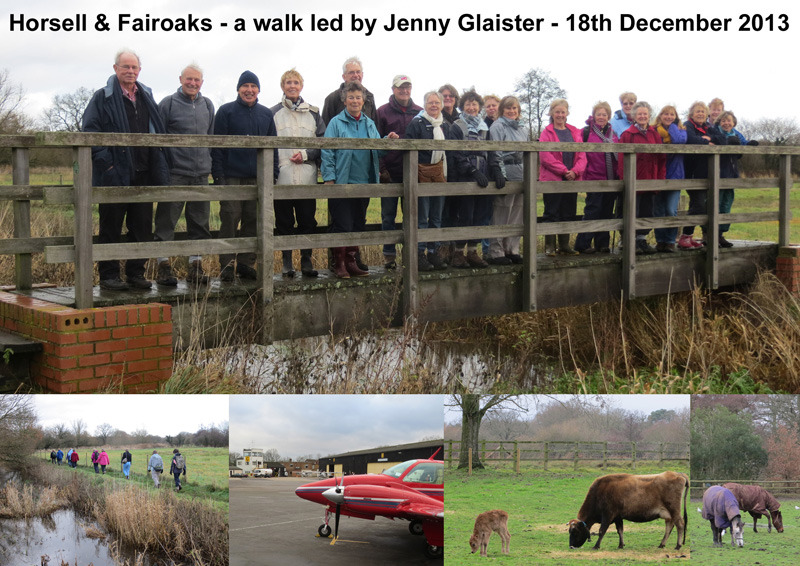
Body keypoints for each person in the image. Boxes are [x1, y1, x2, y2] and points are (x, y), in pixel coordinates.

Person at [82, 49, 170, 291]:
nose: (130, 71)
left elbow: (156, 131)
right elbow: (90, 132)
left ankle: (135, 273)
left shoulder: (147, 97)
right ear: (115, 69)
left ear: (139, 70)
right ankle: (109, 276)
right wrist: (107, 164)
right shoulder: (103, 98)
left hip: (143, 172)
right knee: (110, 227)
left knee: (141, 227)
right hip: (114, 174)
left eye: (134, 68)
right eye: (125, 67)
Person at [321, 81, 398, 278]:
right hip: (343, 182)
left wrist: (387, 142)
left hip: (364, 182)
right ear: (344, 100)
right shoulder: (336, 123)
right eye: (351, 97)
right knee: (343, 224)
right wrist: (329, 177)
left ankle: (351, 262)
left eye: (358, 97)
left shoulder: (369, 123)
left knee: (357, 223)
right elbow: (327, 151)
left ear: (363, 101)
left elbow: (376, 150)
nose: (355, 101)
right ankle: (339, 264)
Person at [211, 70, 279, 281]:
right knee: (230, 218)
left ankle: (245, 263)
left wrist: (273, 174)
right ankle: (227, 265)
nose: (249, 90)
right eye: (245, 86)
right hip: (232, 176)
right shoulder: (226, 111)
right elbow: (217, 147)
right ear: (238, 89)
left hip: (258, 178)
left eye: (253, 86)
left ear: (259, 90)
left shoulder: (266, 114)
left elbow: (273, 147)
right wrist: (219, 176)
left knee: (253, 220)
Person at [154, 63, 215, 286]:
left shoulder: (207, 104)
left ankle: (195, 266)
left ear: (202, 82)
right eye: (189, 79)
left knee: (200, 222)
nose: (192, 83)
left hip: (200, 174)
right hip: (174, 172)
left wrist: (210, 167)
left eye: (197, 80)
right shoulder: (168, 104)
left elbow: (212, 137)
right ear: (180, 79)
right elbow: (157, 138)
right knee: (166, 220)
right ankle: (163, 267)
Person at [270, 68, 326, 278]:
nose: (292, 86)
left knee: (307, 220)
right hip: (282, 177)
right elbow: (268, 145)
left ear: (301, 86)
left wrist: (306, 154)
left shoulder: (313, 113)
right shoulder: (273, 113)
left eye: (296, 82)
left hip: (306, 176)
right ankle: (286, 262)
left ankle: (306, 261)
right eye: (288, 83)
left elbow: (322, 142)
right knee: (284, 222)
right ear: (283, 86)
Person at [375, 74, 422, 269]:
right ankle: (389, 257)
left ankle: (412, 256)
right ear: (393, 89)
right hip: (390, 172)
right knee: (388, 216)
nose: (404, 90)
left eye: (407, 87)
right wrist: (382, 169)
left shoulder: (420, 112)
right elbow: (376, 141)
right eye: (400, 87)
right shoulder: (382, 112)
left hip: (413, 172)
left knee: (412, 215)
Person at [406, 91, 451, 271]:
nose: (434, 105)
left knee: (436, 217)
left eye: (437, 102)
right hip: (421, 175)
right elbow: (409, 148)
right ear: (424, 105)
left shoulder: (445, 126)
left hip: (440, 174)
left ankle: (434, 252)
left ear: (441, 105)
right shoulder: (417, 123)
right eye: (430, 102)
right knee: (422, 217)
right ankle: (419, 254)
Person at [447, 90, 490, 268]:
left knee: (481, 215)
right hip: (464, 176)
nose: (471, 108)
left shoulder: (485, 127)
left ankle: (472, 251)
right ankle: (458, 253)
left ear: (479, 106)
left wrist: (494, 170)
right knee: (465, 215)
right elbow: (455, 153)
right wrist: (472, 170)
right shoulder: (456, 126)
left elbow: (492, 150)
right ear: (462, 107)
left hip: (484, 175)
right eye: (468, 104)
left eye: (474, 104)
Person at [539, 98, 587, 256]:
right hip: (553, 179)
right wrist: (564, 170)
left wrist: (575, 171)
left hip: (571, 179)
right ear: (552, 113)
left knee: (568, 212)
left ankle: (564, 245)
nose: (560, 115)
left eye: (562, 112)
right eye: (557, 112)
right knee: (551, 212)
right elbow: (545, 156)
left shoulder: (575, 131)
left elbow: (582, 155)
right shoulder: (547, 132)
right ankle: (549, 247)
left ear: (567, 113)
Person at [487, 96, 530, 264]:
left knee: (517, 214)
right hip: (506, 171)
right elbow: (496, 151)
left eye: (515, 108)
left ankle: (511, 248)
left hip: (521, 172)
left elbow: (528, 152)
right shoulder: (498, 126)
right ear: (502, 110)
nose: (512, 111)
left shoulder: (523, 128)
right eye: (508, 108)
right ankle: (496, 251)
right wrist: (500, 172)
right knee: (501, 212)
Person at [619, 101, 666, 254]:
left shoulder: (654, 134)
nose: (642, 116)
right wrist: (624, 179)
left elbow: (661, 159)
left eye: (645, 114)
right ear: (634, 116)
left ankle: (641, 239)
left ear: (649, 115)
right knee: (632, 210)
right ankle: (629, 241)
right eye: (639, 114)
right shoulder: (627, 134)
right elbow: (621, 159)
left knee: (647, 211)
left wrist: (659, 180)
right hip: (634, 179)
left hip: (650, 179)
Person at [574, 101, 619, 254]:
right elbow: (578, 153)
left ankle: (602, 243)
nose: (601, 117)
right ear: (593, 116)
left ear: (609, 116)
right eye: (598, 114)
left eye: (604, 114)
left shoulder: (613, 135)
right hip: (593, 177)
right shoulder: (586, 133)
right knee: (593, 210)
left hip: (610, 178)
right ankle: (583, 243)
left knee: (606, 212)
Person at [680, 101, 726, 249]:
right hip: (693, 172)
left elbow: (722, 140)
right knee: (698, 204)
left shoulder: (709, 127)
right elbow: (691, 140)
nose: (700, 114)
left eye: (702, 111)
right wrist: (706, 142)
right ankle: (685, 237)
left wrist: (710, 139)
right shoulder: (688, 125)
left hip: (707, 173)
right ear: (692, 113)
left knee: (698, 205)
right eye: (697, 111)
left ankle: (688, 237)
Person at [714, 110, 756, 248]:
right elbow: (717, 144)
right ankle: (712, 235)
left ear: (733, 123)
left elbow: (743, 143)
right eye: (723, 121)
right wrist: (728, 143)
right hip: (718, 174)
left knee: (726, 205)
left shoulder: (736, 133)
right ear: (720, 122)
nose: (726, 123)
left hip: (731, 173)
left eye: (729, 121)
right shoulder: (715, 132)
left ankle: (721, 234)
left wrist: (749, 145)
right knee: (716, 205)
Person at [652, 105, 688, 252]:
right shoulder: (654, 131)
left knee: (671, 209)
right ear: (660, 116)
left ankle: (670, 240)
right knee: (658, 210)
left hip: (675, 175)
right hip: (657, 174)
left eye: (672, 114)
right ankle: (660, 241)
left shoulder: (681, 130)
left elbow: (679, 141)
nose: (668, 117)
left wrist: (672, 127)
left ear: (676, 117)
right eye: (665, 114)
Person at [322, 56, 377, 125]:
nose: (356, 75)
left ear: (362, 74)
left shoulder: (369, 97)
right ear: (344, 76)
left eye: (358, 72)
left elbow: (375, 126)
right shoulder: (332, 98)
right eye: (351, 72)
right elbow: (325, 127)